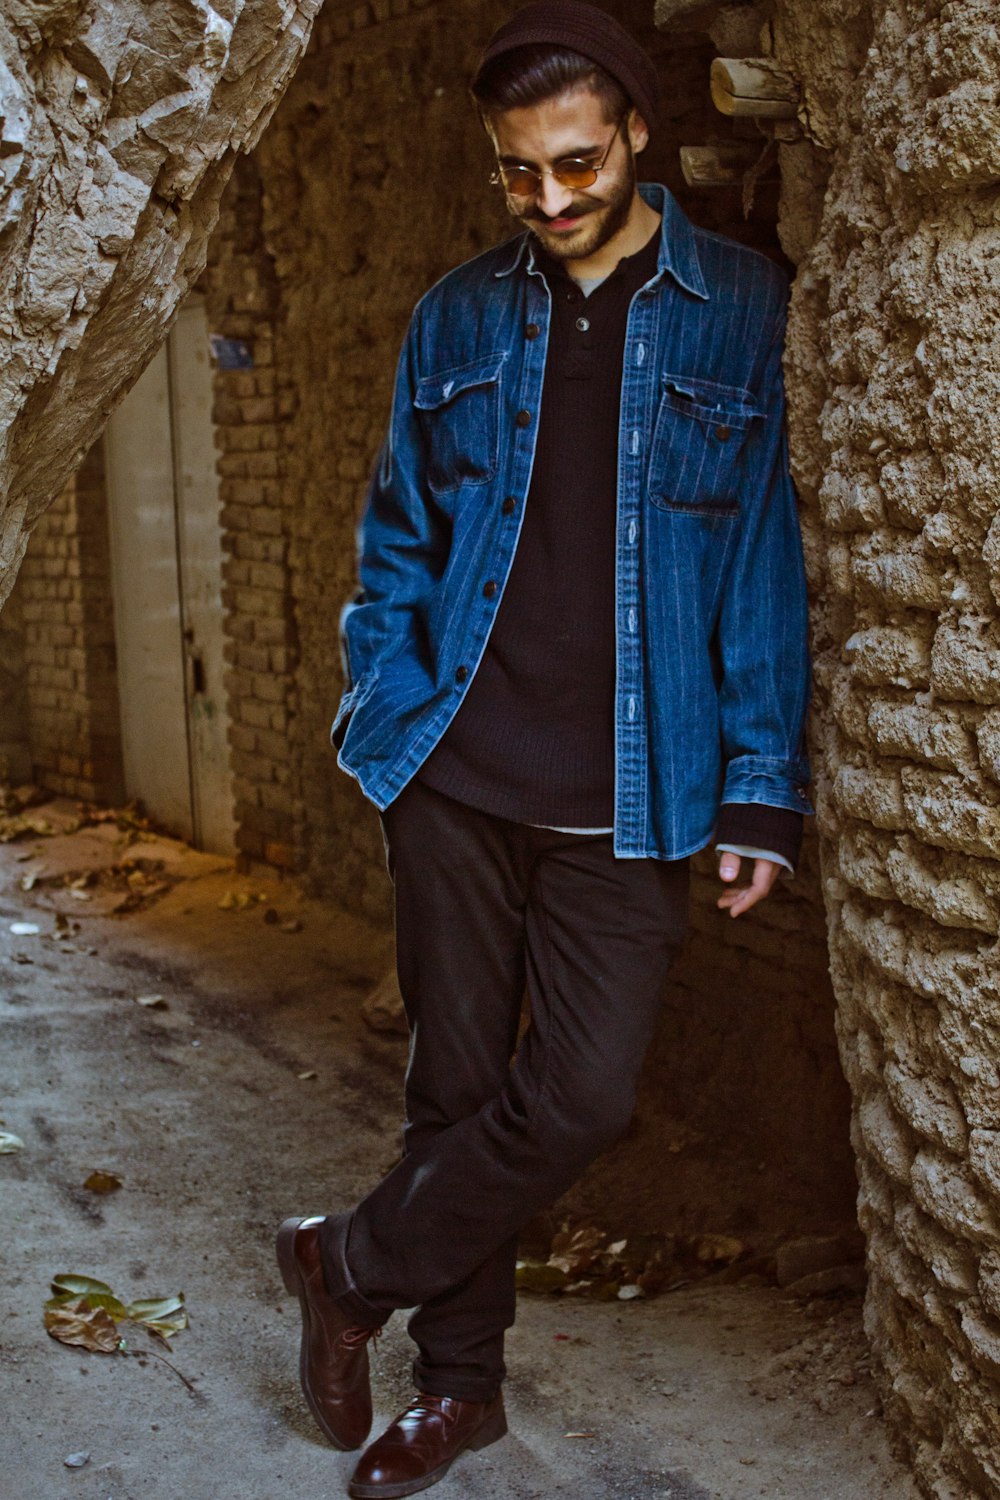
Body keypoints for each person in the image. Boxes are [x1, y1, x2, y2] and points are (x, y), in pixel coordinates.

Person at [276, 4, 811, 1496]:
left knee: (580, 1096)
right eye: (521, 175)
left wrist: (761, 788)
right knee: (455, 1086)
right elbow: (399, 537)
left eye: (578, 162)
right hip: (454, 769)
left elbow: (764, 560)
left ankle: (345, 1263)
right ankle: (461, 1393)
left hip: (637, 791)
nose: (554, 200)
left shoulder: (741, 309)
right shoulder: (458, 315)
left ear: (638, 130)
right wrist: (383, 714)